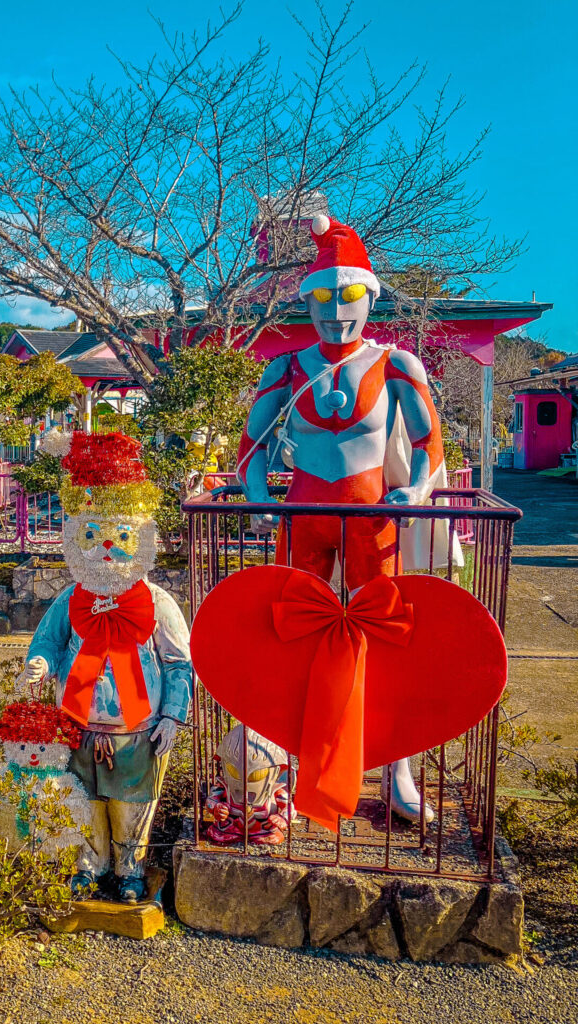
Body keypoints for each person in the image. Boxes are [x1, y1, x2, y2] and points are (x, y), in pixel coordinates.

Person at [236, 214, 445, 824]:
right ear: (306, 302)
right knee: (295, 636)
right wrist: (255, 490)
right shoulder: (288, 366)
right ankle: (293, 767)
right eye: (322, 296)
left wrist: (419, 492)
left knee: (382, 640)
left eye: (348, 293)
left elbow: (432, 444)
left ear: (370, 294)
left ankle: (397, 765)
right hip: (304, 518)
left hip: (372, 519)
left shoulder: (396, 363)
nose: (335, 308)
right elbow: (251, 442)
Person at [18, 430, 192, 904]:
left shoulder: (157, 603)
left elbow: (179, 663)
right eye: (91, 536)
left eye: (120, 536)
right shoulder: (71, 599)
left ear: (141, 540)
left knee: (132, 805)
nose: (106, 547)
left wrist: (174, 715)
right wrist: (38, 662)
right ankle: (87, 866)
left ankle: (129, 869)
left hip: (138, 728)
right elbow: (49, 641)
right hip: (76, 725)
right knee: (83, 800)